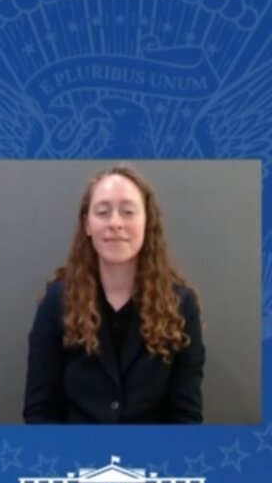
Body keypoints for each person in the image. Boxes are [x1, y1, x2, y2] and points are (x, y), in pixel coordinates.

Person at [23, 165, 205, 424]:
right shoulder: (56, 302)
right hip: (76, 460)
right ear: (87, 224)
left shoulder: (182, 305)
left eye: (128, 212)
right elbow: (39, 411)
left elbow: (187, 417)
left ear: (147, 222)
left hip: (152, 460)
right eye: (103, 212)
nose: (115, 223)